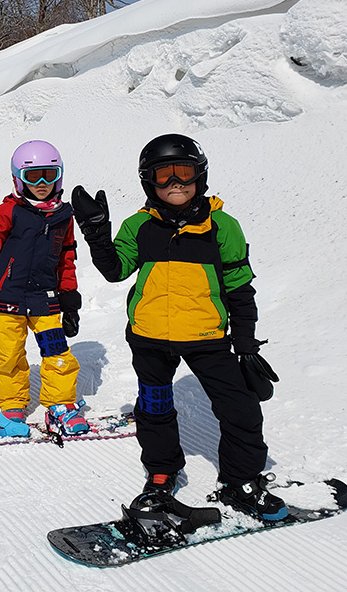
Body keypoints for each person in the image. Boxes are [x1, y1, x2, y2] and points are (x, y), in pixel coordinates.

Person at [71, 133, 288, 521]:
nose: (175, 183)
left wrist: (246, 343)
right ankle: (161, 472)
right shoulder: (140, 225)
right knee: (154, 409)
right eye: (163, 175)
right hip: (149, 340)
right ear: (148, 181)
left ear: (199, 176)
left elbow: (240, 289)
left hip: (207, 339)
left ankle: (241, 481)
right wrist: (97, 234)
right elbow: (115, 270)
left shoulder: (224, 227)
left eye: (183, 173)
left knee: (241, 408)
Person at [0, 140, 87, 437]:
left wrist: (69, 299)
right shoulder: (10, 210)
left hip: (44, 298)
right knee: (10, 355)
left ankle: (60, 404)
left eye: (49, 174)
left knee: (56, 351)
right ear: (19, 179)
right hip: (7, 296)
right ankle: (12, 405)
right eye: (34, 177)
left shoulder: (63, 215)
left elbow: (66, 257)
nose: (43, 183)